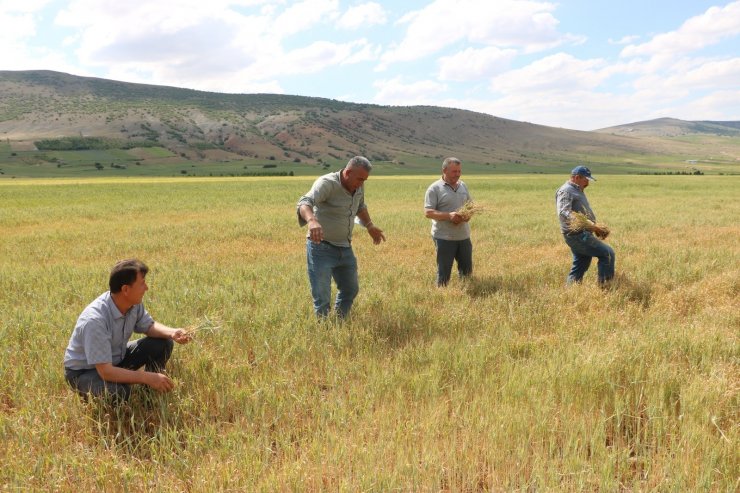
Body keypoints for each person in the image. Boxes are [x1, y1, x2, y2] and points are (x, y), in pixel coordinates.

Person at [63, 259, 192, 403]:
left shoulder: (133, 304)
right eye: (142, 283)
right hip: (85, 372)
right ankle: (137, 383)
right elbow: (105, 371)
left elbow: (148, 326)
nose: (146, 288)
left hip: (115, 359)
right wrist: (146, 377)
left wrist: (172, 332)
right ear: (125, 289)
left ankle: (149, 393)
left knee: (164, 342)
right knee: (118, 393)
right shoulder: (95, 320)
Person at [297, 156, 386, 317]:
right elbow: (305, 202)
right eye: (359, 179)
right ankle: (324, 332)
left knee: (350, 290)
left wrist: (370, 225)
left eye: (365, 180)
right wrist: (311, 221)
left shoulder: (358, 185)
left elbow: (360, 206)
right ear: (348, 172)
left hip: (345, 247)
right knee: (322, 297)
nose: (361, 183)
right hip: (320, 247)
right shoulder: (327, 183)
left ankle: (340, 322)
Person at [555, 166, 615, 285]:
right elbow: (563, 212)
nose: (587, 182)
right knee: (607, 253)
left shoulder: (577, 189)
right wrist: (587, 224)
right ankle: (606, 287)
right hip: (577, 235)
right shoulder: (566, 191)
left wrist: (593, 226)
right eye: (586, 179)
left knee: (581, 263)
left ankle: (571, 290)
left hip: (582, 233)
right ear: (577, 177)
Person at [424, 157, 473, 286]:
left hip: (463, 236)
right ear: (444, 170)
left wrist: (468, 215)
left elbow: (470, 206)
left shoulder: (463, 186)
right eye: (454, 171)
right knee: (443, 273)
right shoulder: (434, 188)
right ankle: (442, 295)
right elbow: (428, 212)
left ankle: (466, 291)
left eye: (459, 171)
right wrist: (449, 216)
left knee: (467, 272)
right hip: (444, 237)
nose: (457, 174)